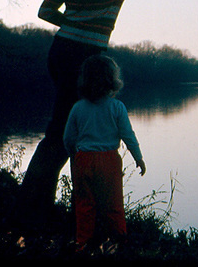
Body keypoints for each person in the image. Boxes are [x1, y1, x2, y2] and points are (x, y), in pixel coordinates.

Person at [14, 0, 158, 233]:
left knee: (69, 131)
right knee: (63, 136)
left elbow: (46, 10)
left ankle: (50, 209)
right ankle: (33, 214)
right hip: (86, 58)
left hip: (61, 51)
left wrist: (74, 23)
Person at [63, 54, 145, 254]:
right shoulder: (117, 107)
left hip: (83, 159)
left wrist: (74, 156)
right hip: (109, 159)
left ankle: (82, 243)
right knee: (114, 203)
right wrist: (138, 157)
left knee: (84, 204)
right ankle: (118, 241)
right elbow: (128, 135)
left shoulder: (78, 108)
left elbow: (68, 138)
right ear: (112, 80)